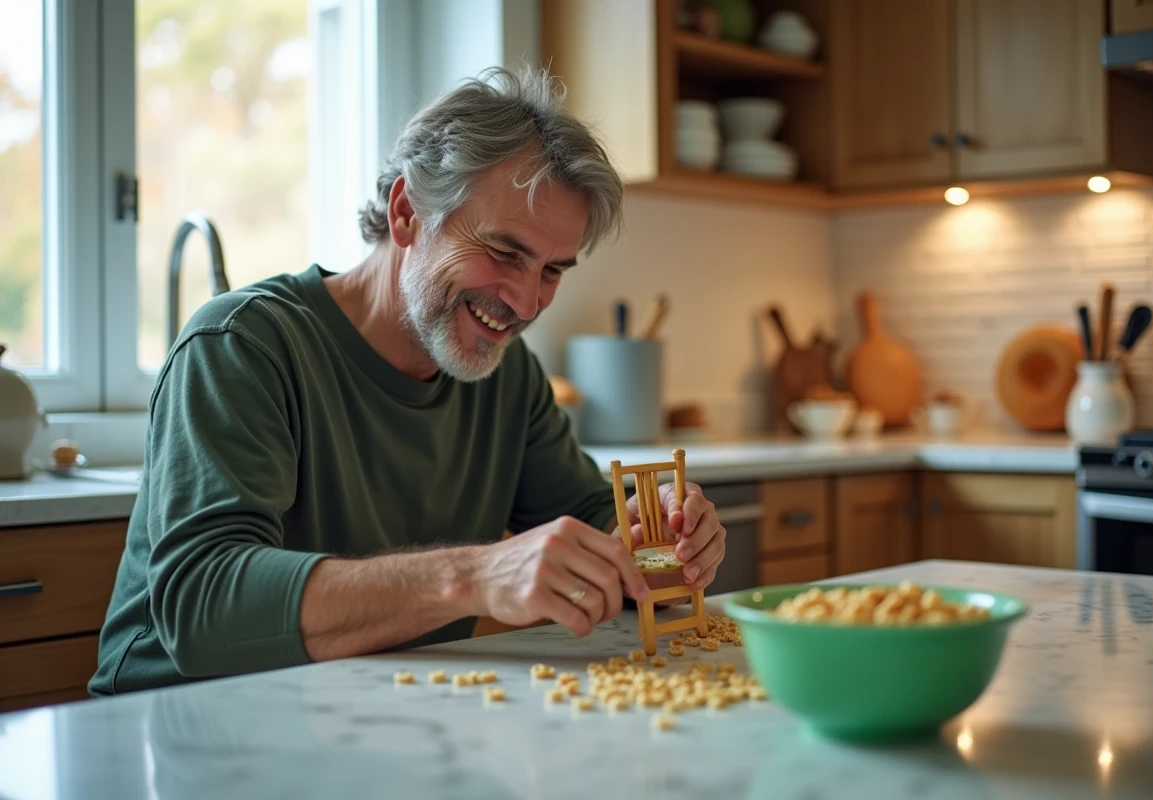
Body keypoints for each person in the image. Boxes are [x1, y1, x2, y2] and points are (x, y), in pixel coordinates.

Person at [89, 67, 727, 697]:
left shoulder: (506, 377)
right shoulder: (242, 347)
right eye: (504, 253)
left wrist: (659, 541)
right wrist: (472, 576)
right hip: (175, 729)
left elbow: (594, 527)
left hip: (362, 718)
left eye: (553, 270)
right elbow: (203, 609)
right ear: (406, 214)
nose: (529, 303)